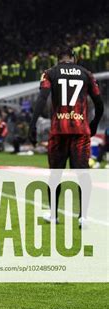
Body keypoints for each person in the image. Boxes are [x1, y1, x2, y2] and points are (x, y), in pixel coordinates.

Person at [29, 47, 104, 225]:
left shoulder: (50, 73)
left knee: (55, 174)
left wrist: (32, 126)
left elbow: (41, 99)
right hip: (80, 131)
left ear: (58, 59)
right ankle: (83, 217)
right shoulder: (87, 74)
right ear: (74, 58)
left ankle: (54, 215)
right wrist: (93, 124)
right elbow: (99, 105)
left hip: (59, 131)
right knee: (83, 174)